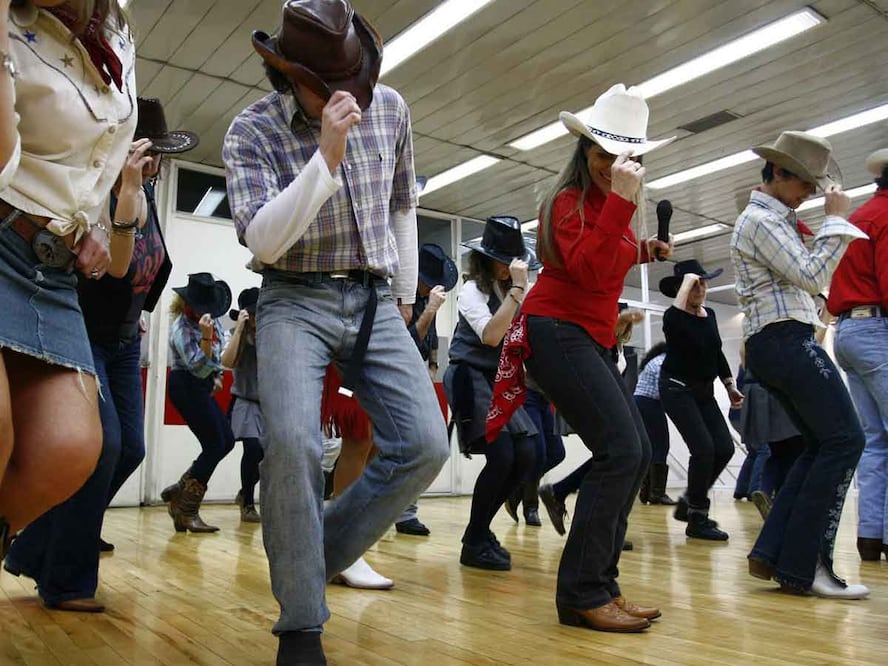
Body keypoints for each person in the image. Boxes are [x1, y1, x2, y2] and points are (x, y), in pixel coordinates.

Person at [222, 2, 450, 661]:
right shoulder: (252, 131)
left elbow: (403, 206)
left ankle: (310, 552)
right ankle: (300, 623)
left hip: (377, 295)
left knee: (425, 444)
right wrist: (324, 156)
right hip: (293, 294)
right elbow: (263, 237)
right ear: (291, 75)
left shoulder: (393, 109)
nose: (353, 94)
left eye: (358, 77)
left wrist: (405, 300)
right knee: (292, 445)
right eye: (334, 82)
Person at [488, 84, 674, 633]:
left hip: (589, 337)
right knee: (620, 450)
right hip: (555, 331)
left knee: (634, 452)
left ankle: (603, 584)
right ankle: (581, 593)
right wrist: (621, 201)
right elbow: (589, 269)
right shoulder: (566, 201)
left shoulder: (613, 204)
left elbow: (606, 257)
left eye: (625, 158)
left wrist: (643, 250)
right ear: (584, 151)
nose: (613, 166)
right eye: (602, 154)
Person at [2, 98, 191, 612]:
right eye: (147, 153)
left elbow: (148, 273)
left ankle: (35, 547)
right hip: (83, 330)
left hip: (124, 341)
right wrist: (126, 189)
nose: (154, 164)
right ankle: (66, 580)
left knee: (130, 447)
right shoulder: (97, 192)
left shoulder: (147, 193)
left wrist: (145, 313)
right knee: (102, 446)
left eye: (159, 156)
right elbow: (115, 268)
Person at [0, 0, 137, 557]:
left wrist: (98, 216)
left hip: (50, 264)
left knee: (72, 447)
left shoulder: (117, 29)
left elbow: (106, 146)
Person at [731, 130, 869, 598]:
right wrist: (836, 221)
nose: (810, 192)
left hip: (779, 341)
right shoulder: (761, 220)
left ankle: (775, 554)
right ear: (778, 172)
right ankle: (809, 566)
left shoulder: (774, 219)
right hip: (783, 338)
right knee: (846, 439)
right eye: (805, 183)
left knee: (819, 444)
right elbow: (811, 276)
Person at [445, 216, 538, 571]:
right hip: (470, 376)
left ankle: (478, 533)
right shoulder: (472, 290)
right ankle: (475, 540)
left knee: (528, 454)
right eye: (502, 260)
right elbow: (491, 336)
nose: (509, 267)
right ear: (486, 260)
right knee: (501, 456)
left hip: (501, 378)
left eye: (512, 259)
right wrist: (517, 291)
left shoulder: (513, 292)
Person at [827, 147, 888, 562]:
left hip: (847, 329)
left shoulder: (860, 217)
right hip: (877, 327)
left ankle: (870, 536)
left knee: (875, 441)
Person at [657, 260, 743, 541]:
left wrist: (730, 386)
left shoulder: (712, 315)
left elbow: (716, 353)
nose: (701, 289)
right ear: (683, 289)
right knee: (704, 449)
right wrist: (685, 284)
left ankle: (689, 502)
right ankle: (697, 517)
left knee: (724, 448)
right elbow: (673, 320)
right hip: (677, 389)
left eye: (704, 283)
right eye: (695, 285)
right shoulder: (674, 318)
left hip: (704, 391)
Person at [161, 273, 234, 533]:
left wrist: (217, 375)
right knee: (215, 444)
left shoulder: (212, 322)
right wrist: (205, 338)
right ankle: (186, 510)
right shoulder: (181, 327)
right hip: (185, 386)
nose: (207, 313)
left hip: (200, 387)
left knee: (226, 440)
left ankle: (181, 489)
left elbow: (219, 356)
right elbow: (198, 367)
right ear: (186, 303)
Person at [396, 242, 459, 537]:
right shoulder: (401, 298)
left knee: (428, 444)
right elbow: (407, 343)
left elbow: (428, 341)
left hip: (420, 375)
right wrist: (431, 310)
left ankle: (406, 512)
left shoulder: (423, 298)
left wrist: (433, 364)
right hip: (397, 375)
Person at [221, 287, 263, 524]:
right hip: (246, 401)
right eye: (254, 315)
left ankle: (244, 491)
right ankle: (248, 501)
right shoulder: (236, 335)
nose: (257, 320)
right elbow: (227, 362)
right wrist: (239, 329)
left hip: (268, 404)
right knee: (253, 448)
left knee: (267, 456)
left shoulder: (270, 334)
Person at [633, 342, 676, 506]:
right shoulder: (662, 362)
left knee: (651, 446)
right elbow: (664, 388)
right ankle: (657, 493)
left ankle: (647, 492)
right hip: (649, 403)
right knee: (661, 445)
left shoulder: (655, 360)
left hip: (642, 403)